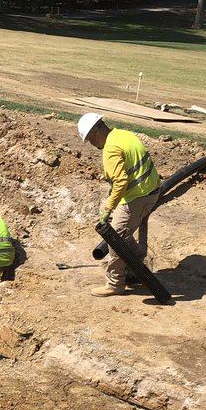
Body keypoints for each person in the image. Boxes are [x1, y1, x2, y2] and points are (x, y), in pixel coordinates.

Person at [77, 112, 161, 297]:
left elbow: (121, 182)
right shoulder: (123, 134)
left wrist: (108, 208)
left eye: (91, 141)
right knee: (123, 233)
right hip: (150, 190)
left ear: (94, 134)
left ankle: (115, 283)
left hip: (137, 197)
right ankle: (135, 267)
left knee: (115, 239)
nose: (93, 145)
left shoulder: (110, 148)